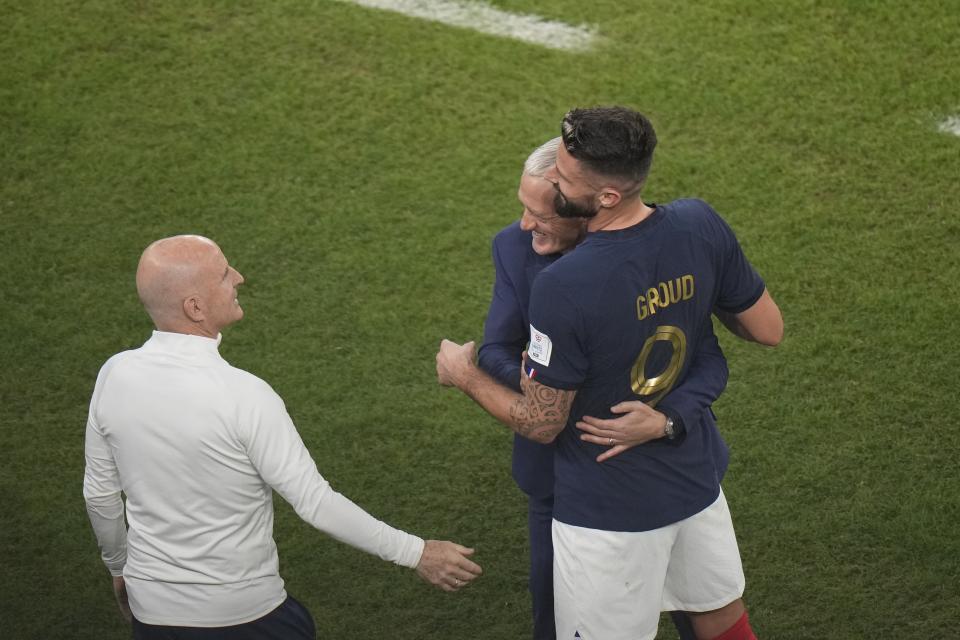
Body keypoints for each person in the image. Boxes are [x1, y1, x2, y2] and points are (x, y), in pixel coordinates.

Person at [437, 106, 782, 640]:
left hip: (604, 503)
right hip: (690, 482)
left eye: (563, 180)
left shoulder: (566, 285)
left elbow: (542, 422)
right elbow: (746, 336)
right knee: (721, 618)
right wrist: (670, 418)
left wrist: (465, 375)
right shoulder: (695, 224)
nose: (552, 181)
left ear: (604, 197)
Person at [84, 235, 482, 639]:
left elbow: (99, 495)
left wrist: (119, 568)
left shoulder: (113, 376)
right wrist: (418, 553)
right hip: (247, 618)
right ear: (195, 308)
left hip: (154, 618)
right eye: (224, 275)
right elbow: (315, 503)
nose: (238, 277)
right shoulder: (245, 395)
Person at [477, 137, 734, 640]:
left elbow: (705, 351)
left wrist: (668, 419)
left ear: (584, 206)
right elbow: (494, 349)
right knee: (556, 621)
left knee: (701, 613)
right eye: (523, 209)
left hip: (676, 471)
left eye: (541, 214)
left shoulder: (654, 251)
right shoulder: (514, 246)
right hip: (561, 482)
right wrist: (536, 378)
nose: (527, 225)